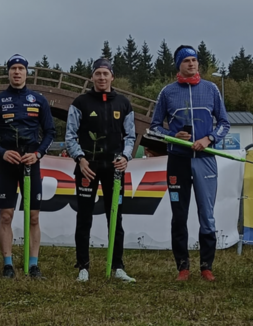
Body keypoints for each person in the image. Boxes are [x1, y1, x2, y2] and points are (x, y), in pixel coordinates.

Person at [150, 45, 229, 282]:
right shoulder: (167, 92)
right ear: (178, 65)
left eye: (194, 60)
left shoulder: (211, 89)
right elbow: (154, 127)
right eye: (186, 61)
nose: (192, 64)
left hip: (205, 160)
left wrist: (209, 138)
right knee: (179, 214)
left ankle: (206, 267)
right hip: (178, 161)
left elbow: (224, 123)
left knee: (207, 214)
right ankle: (182, 267)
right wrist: (173, 136)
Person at [0, 54, 56, 278]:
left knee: (33, 216)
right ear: (8, 73)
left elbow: (50, 132)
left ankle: (33, 265)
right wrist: (2, 153)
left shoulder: (38, 100)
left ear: (26, 72)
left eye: (21, 69)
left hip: (31, 163)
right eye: (13, 68)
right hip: (7, 163)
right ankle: (8, 265)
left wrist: (38, 154)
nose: (17, 72)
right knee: (6, 215)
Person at [65, 59, 136, 283]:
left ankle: (118, 266)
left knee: (115, 217)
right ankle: (83, 266)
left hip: (114, 168)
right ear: (92, 77)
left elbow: (131, 136)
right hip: (88, 168)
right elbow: (70, 136)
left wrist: (125, 157)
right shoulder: (80, 102)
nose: (102, 78)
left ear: (112, 77)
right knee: (84, 217)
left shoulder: (124, 103)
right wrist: (80, 159)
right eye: (98, 74)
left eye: (106, 74)